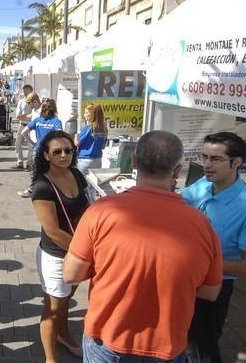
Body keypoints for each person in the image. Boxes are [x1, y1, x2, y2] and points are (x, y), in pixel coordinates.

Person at [63, 131, 223, 363]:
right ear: (177, 170)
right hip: (167, 346)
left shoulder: (100, 211)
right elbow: (210, 292)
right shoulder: (202, 225)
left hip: (107, 342)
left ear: (134, 162)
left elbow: (70, 274)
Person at [182, 132, 246, 363]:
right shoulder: (204, 184)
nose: (206, 165)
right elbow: (180, 203)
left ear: (237, 162)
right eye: (205, 157)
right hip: (186, 280)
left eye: (215, 159)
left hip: (215, 288)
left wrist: (199, 263)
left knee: (202, 348)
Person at [31, 131, 90, 361]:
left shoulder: (75, 174)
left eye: (68, 150)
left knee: (65, 302)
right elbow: (53, 232)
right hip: (56, 257)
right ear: (46, 155)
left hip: (77, 253)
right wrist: (84, 251)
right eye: (57, 151)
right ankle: (50, 358)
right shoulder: (42, 187)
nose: (64, 155)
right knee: (53, 310)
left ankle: (64, 335)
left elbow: (87, 207)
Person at [18, 99, 62, 198]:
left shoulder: (37, 120)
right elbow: (60, 134)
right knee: (51, 172)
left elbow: (23, 132)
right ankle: (53, 192)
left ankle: (32, 190)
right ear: (54, 109)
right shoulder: (56, 122)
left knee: (37, 172)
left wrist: (32, 142)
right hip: (51, 152)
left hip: (38, 150)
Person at [75, 104, 108, 200]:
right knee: (93, 187)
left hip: (84, 159)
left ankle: (84, 207)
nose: (84, 115)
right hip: (97, 160)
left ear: (92, 115)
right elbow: (103, 146)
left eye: (86, 113)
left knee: (82, 186)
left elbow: (77, 143)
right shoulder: (104, 129)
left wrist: (75, 137)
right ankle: (92, 205)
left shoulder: (88, 128)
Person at [13, 84, 34, 170]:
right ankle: (20, 161)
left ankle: (29, 162)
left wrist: (24, 116)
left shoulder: (34, 101)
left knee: (30, 146)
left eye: (27, 91)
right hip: (22, 125)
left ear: (31, 91)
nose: (25, 93)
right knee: (17, 144)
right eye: (24, 91)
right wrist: (28, 116)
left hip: (31, 126)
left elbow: (34, 115)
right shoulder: (21, 101)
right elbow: (17, 115)